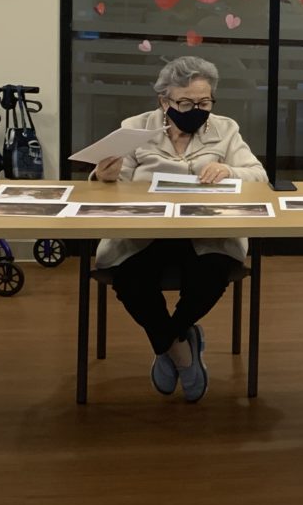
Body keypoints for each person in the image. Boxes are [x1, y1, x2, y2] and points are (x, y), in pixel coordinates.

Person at [92, 56, 267, 402]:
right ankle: (181, 351)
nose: (195, 110)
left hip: (205, 233)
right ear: (164, 101)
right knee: (129, 278)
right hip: (145, 234)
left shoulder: (225, 129)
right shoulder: (135, 127)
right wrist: (104, 176)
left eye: (203, 102)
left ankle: (167, 342)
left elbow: (258, 175)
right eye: (185, 102)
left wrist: (228, 171)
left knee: (213, 274)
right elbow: (108, 188)